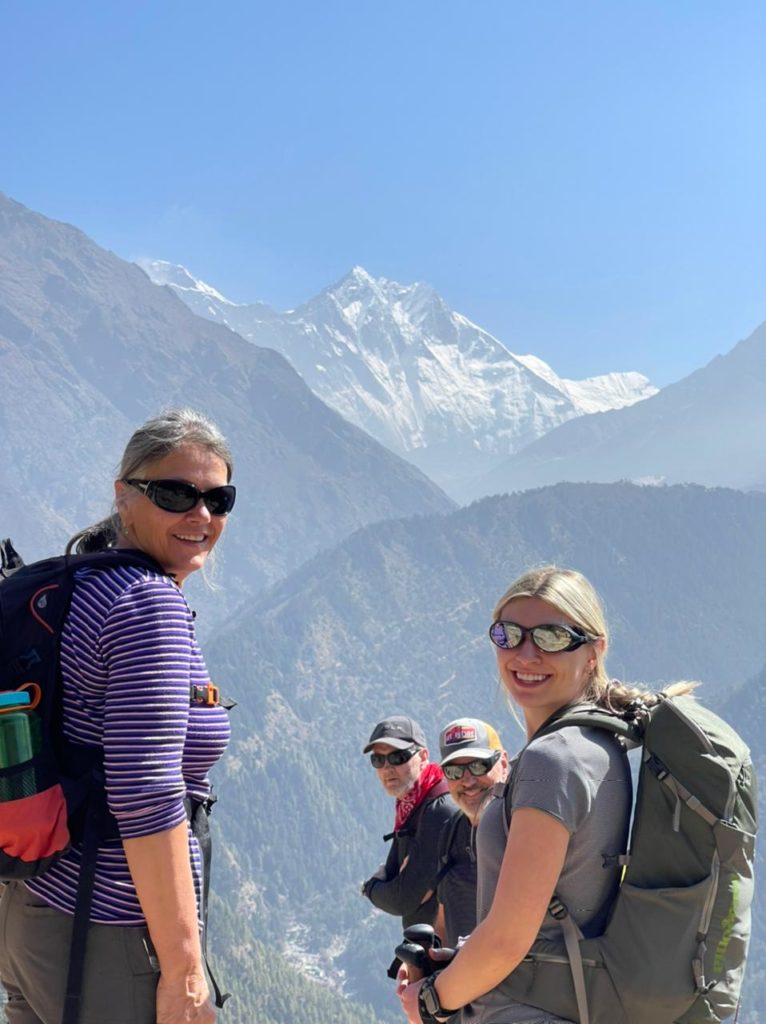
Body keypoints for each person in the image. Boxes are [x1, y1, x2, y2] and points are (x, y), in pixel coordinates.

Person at [0, 408, 235, 1024]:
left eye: (218, 497)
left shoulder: (80, 582)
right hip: (103, 931)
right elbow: (147, 796)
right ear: (124, 495)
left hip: (33, 909)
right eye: (176, 492)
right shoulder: (146, 606)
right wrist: (185, 971)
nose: (201, 514)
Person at [398, 565, 695, 1024]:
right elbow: (549, 924)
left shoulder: (551, 761)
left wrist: (430, 1001)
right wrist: (458, 964)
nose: (526, 653)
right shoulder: (598, 744)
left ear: (595, 651)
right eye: (508, 635)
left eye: (553, 637)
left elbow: (508, 938)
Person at [361, 715, 459, 932]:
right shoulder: (412, 805)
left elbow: (401, 899)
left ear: (423, 756)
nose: (387, 768)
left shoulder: (439, 810)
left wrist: (370, 888)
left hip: (446, 951)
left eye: (398, 757)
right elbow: (396, 877)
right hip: (428, 947)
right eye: (378, 760)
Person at [435, 719, 509, 948]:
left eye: (479, 766)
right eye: (454, 771)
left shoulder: (522, 828)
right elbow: (444, 917)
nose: (467, 781)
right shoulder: (451, 830)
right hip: (462, 979)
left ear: (503, 763)